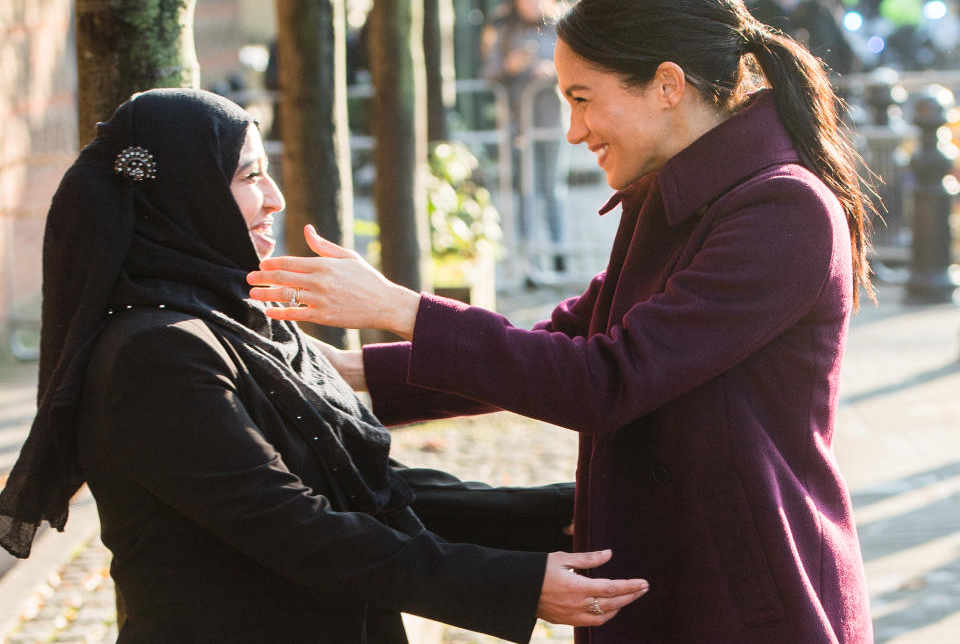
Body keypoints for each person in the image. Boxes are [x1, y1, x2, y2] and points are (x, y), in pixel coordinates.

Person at [248, 0, 876, 644]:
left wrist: (400, 307)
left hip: (749, 598)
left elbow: (607, 379)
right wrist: (343, 374)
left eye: (582, 98)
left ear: (667, 85)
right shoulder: (675, 195)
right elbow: (564, 339)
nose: (574, 131)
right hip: (675, 573)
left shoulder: (783, 209)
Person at [0, 89, 650, 643]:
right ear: (184, 198)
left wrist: (559, 512)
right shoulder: (155, 355)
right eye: (250, 176)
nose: (276, 198)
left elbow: (368, 489)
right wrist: (515, 586)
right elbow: (300, 529)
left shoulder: (242, 323)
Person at [481, 0, 567, 274]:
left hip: (551, 121)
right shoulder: (504, 31)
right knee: (525, 189)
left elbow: (579, 70)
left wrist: (553, 71)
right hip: (518, 123)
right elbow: (488, 73)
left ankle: (559, 252)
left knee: (551, 186)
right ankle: (527, 256)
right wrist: (508, 66)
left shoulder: (561, 28)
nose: (532, 1)